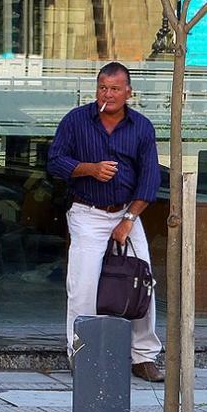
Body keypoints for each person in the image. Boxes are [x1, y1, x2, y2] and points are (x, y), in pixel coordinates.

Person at [47, 61, 164, 382]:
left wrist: (128, 219)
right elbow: (54, 161)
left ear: (129, 92)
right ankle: (82, 354)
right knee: (83, 286)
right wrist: (90, 168)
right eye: (102, 87)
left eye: (115, 89)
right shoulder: (76, 120)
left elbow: (150, 178)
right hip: (86, 213)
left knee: (142, 282)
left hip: (127, 212)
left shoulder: (141, 127)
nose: (107, 94)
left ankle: (143, 356)